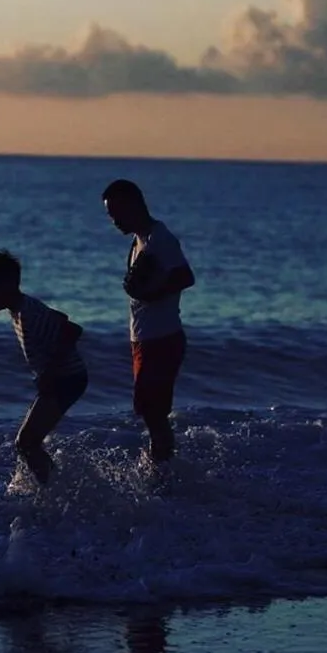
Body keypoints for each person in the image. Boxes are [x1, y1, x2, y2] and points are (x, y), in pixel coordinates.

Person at [0, 250, 89, 484]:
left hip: (66, 379)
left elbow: (72, 330)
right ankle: (51, 485)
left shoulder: (28, 312)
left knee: (26, 442)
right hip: (62, 378)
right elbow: (63, 319)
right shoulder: (23, 309)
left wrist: (50, 372)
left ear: (6, 284)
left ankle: (53, 488)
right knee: (27, 442)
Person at [101, 179, 195, 465]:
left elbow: (185, 277)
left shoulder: (159, 238)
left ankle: (163, 475)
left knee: (154, 415)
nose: (114, 220)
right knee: (150, 413)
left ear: (133, 205)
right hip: (146, 339)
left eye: (116, 212)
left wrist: (149, 293)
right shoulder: (139, 240)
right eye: (110, 214)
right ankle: (163, 470)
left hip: (162, 339)